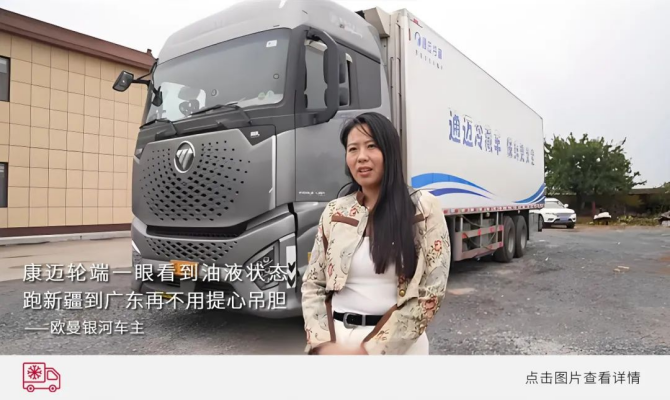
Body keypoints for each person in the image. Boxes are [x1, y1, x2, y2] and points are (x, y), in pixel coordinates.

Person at [301, 112, 451, 355]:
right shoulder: (335, 212)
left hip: (398, 349)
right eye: (353, 149)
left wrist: (369, 352)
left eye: (371, 146)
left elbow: (431, 292)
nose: (361, 157)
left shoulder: (423, 208)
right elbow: (313, 283)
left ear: (389, 152)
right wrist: (322, 344)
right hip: (337, 344)